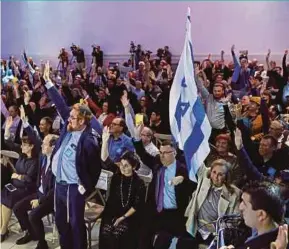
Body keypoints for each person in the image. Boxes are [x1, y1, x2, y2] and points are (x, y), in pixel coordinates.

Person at [43, 62, 102, 249]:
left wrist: (85, 187)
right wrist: (48, 82)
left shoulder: (88, 140)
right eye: (70, 117)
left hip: (73, 188)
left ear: (83, 120)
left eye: (73, 117)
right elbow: (61, 106)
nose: (69, 119)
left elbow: (96, 168)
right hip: (59, 185)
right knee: (61, 223)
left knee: (75, 225)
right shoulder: (67, 130)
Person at [133, 139, 196, 249]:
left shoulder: (182, 169)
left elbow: (194, 184)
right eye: (160, 152)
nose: (162, 156)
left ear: (174, 153)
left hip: (175, 214)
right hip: (156, 211)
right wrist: (137, 139)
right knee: (142, 235)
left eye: (165, 153)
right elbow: (142, 154)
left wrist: (183, 179)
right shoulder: (158, 163)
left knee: (166, 241)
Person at [183, 159, 241, 248]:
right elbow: (196, 158)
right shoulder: (204, 178)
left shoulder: (234, 194)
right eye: (214, 172)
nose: (215, 177)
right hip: (194, 228)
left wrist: (217, 227)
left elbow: (234, 221)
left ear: (226, 176)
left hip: (215, 235)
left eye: (220, 174)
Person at [100, 141, 145, 249]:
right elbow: (105, 159)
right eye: (121, 164)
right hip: (112, 212)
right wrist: (105, 140)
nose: (122, 168)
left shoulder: (138, 183)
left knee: (117, 234)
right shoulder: (116, 175)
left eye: (126, 166)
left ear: (134, 167)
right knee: (106, 232)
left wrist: (122, 218)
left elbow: (136, 206)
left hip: (128, 215)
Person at [1, 134, 38, 242]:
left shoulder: (35, 161)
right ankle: (2, 226)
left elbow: (29, 178)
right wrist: (8, 163)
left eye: (24, 145)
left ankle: (3, 229)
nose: (21, 147)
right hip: (16, 185)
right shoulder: (22, 157)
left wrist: (18, 176)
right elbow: (16, 171)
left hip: (27, 189)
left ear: (31, 146)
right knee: (3, 193)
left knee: (9, 199)